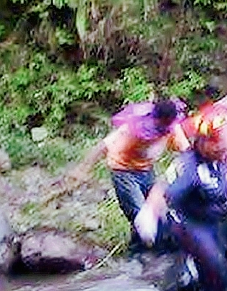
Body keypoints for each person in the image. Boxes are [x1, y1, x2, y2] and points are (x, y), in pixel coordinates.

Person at [136, 107, 227, 291]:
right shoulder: (188, 166)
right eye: (219, 146)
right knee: (216, 264)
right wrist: (149, 212)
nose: (225, 151)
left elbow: (226, 183)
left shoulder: (220, 159)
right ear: (204, 141)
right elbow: (163, 187)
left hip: (212, 220)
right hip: (188, 223)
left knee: (216, 266)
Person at [48, 99, 190, 253]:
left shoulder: (173, 128)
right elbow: (103, 146)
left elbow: (188, 152)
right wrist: (83, 168)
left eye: (169, 123)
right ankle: (138, 256)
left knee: (158, 212)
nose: (165, 127)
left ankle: (154, 250)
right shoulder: (133, 129)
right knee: (139, 213)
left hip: (146, 170)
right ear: (156, 119)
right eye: (162, 122)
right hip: (123, 171)